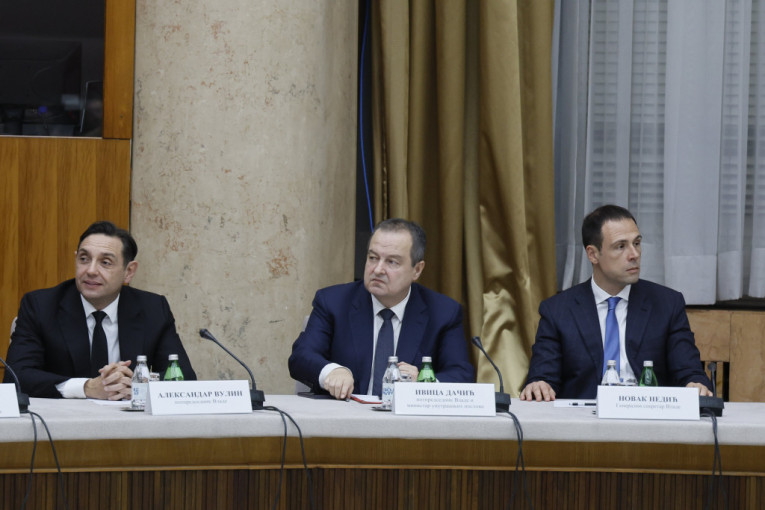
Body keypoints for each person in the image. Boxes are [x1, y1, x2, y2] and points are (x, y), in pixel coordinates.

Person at [521, 205, 712, 401]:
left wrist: (695, 383)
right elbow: (543, 376)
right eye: (621, 246)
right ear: (593, 254)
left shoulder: (666, 304)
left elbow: (689, 371)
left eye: (636, 243)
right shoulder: (558, 310)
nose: (634, 254)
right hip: (583, 417)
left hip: (648, 414)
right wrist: (539, 384)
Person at [4, 221, 196, 399]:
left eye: (105, 262)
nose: (91, 270)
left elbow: (183, 376)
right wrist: (86, 388)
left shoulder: (153, 308)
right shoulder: (41, 306)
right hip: (63, 420)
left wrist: (138, 384)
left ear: (129, 272)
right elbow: (16, 376)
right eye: (84, 259)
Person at [288, 218, 475, 400]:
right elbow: (301, 357)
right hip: (345, 416)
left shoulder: (443, 312)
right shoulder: (333, 302)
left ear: (417, 270)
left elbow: (461, 375)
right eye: (373, 258)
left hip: (407, 419)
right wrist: (332, 371)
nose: (377, 269)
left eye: (392, 262)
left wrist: (422, 382)